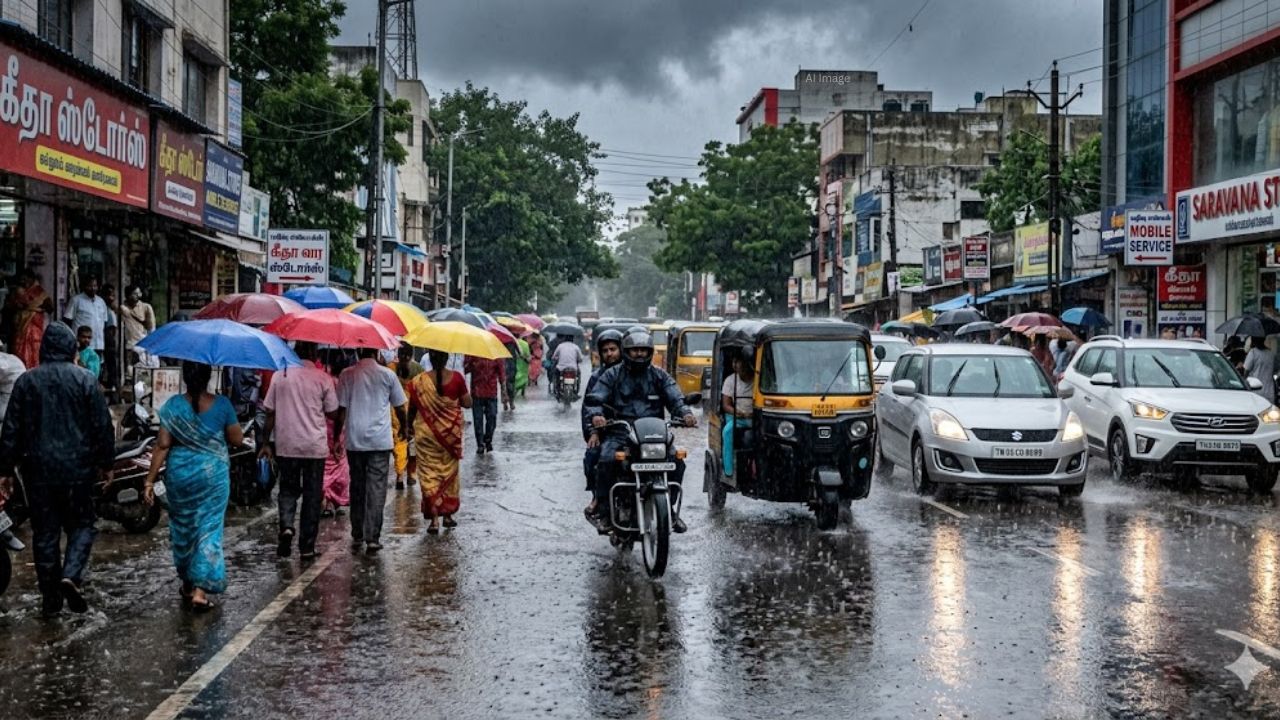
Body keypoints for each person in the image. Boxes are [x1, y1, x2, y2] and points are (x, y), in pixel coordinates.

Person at [0, 322, 114, 616]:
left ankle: (50, 599)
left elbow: (11, 430)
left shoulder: (26, 382)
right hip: (78, 469)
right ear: (71, 348)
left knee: (45, 533)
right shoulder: (86, 380)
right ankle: (71, 575)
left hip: (37, 471)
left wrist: (5, 471)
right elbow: (102, 426)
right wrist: (107, 464)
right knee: (82, 524)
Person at [143, 361, 242, 612]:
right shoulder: (222, 405)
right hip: (212, 476)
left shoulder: (173, 406)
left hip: (180, 476)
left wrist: (149, 481)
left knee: (184, 528)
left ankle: (188, 583)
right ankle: (199, 590)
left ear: (184, 377)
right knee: (209, 529)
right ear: (209, 377)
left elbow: (162, 445)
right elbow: (237, 439)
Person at [586, 331, 696, 534]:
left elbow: (675, 397)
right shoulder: (612, 374)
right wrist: (596, 415)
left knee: (677, 461)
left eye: (643, 350)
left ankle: (669, 510)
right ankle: (606, 512)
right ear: (626, 352)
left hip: (654, 433)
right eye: (634, 350)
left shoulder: (659, 375)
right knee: (606, 460)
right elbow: (595, 398)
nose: (639, 354)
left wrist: (686, 413)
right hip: (621, 431)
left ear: (650, 352)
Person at [261, 341, 339, 560]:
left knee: (287, 489)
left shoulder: (280, 376)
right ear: (314, 354)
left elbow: (269, 413)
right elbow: (333, 412)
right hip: (314, 447)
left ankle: (287, 526)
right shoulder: (322, 378)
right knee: (312, 496)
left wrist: (266, 442)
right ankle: (306, 546)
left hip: (287, 444)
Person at [335, 348, 408, 554]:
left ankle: (358, 532)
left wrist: (336, 437)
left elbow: (341, 410)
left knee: (357, 486)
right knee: (376, 489)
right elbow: (400, 406)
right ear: (377, 352)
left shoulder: (347, 375)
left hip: (355, 440)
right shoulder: (387, 375)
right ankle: (372, 537)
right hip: (379, 441)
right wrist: (405, 427)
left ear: (358, 351)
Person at [406, 349, 472, 533]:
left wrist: (408, 428)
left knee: (429, 476)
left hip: (426, 437)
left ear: (430, 358)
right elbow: (467, 403)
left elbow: (412, 409)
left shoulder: (419, 381)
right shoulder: (457, 378)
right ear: (447, 358)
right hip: (449, 438)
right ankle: (448, 516)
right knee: (448, 476)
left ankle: (434, 520)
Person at [581, 329, 624, 518]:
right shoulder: (596, 378)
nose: (609, 354)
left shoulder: (635, 373)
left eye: (613, 349)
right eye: (605, 350)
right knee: (593, 456)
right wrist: (594, 430)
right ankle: (598, 496)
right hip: (607, 430)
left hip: (637, 431)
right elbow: (589, 406)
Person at [321, 350, 354, 518]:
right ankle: (337, 500)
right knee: (339, 462)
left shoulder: (325, 381)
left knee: (326, 465)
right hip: (339, 428)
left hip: (324, 427)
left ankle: (327, 500)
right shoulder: (342, 383)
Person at [388, 343, 423, 488]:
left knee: (399, 442)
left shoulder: (391, 368)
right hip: (411, 411)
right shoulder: (418, 369)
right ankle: (410, 474)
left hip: (396, 410)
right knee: (411, 442)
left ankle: (400, 475)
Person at [721, 350, 756, 480]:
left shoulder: (758, 379)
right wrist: (737, 413)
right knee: (727, 431)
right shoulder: (730, 381)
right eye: (734, 362)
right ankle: (728, 471)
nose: (736, 365)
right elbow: (726, 405)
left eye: (739, 362)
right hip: (738, 418)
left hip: (756, 418)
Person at [62, 276, 113, 365]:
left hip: (98, 344)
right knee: (82, 366)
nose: (93, 288)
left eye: (95, 286)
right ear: (84, 286)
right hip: (82, 345)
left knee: (96, 368)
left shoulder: (101, 302)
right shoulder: (76, 300)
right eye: (90, 286)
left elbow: (104, 322)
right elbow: (67, 320)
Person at [463, 354, 505, 454]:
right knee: (478, 420)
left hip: (491, 392)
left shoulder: (496, 354)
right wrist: (471, 364)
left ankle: (488, 440)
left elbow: (501, 373)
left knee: (492, 418)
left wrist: (504, 391)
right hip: (476, 392)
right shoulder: (473, 354)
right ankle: (480, 444)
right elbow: (465, 369)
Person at [12, 267, 51, 370]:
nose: (23, 282)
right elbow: (11, 306)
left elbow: (50, 307)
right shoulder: (18, 291)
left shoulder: (39, 292)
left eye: (25, 279)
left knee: (35, 351)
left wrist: (35, 308)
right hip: (21, 326)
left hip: (35, 328)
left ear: (32, 279)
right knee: (20, 350)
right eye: (22, 279)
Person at [117, 285, 155, 370]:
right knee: (130, 370)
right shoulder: (122, 308)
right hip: (130, 345)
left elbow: (151, 328)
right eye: (135, 293)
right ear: (128, 295)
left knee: (145, 370)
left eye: (139, 293)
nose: (138, 295)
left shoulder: (146, 307)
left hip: (143, 345)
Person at [1244, 336, 1275, 400]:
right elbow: (1275, 369)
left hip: (1255, 391)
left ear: (1253, 341)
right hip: (1269, 392)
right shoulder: (1271, 354)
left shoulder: (1253, 352)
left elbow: (1246, 372)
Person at [501, 341, 519, 410]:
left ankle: (505, 402)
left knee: (503, 384)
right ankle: (511, 402)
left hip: (504, 364)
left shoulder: (500, 341)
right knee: (511, 384)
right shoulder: (513, 341)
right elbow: (520, 353)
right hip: (511, 365)